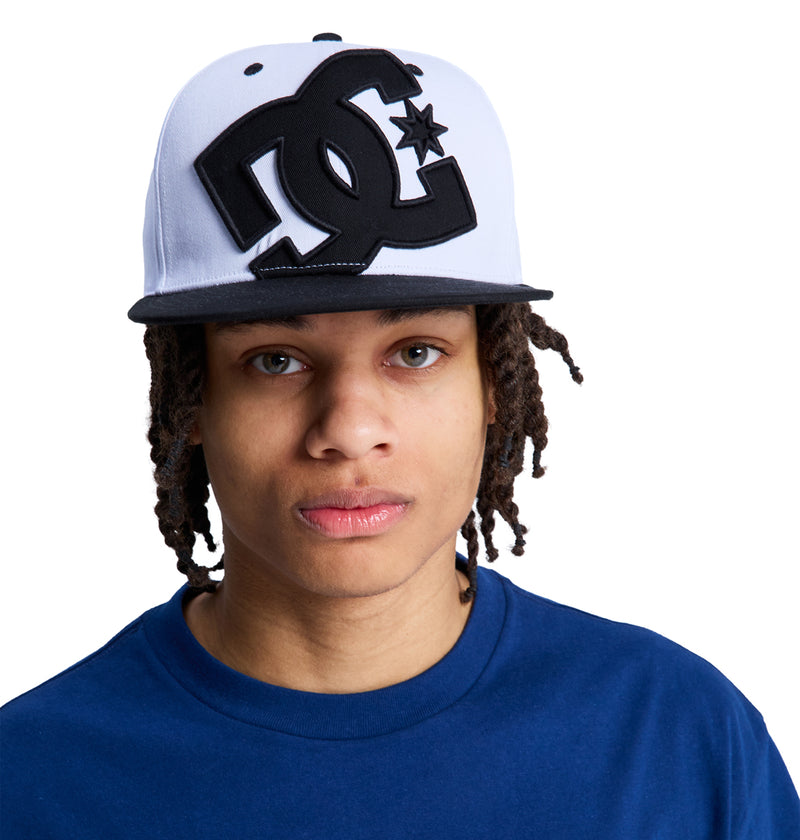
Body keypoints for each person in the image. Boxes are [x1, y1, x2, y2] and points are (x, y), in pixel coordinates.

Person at [2, 34, 798, 837]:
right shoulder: (31, 777)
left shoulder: (679, 738)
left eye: (415, 353)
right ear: (191, 399)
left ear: (494, 383)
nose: (349, 431)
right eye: (276, 360)